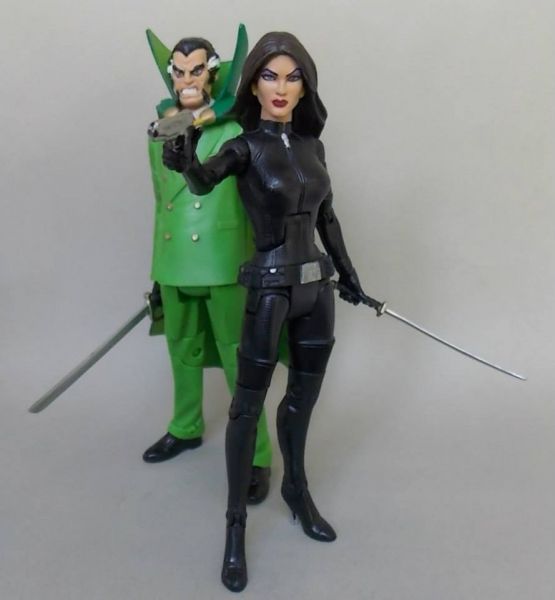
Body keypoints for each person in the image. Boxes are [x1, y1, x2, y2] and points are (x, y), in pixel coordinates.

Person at [163, 31, 373, 592]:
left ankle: (296, 491)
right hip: (271, 289)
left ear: (306, 86)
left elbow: (327, 218)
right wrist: (183, 158)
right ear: (253, 84)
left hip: (316, 291)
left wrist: (350, 276)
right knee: (245, 408)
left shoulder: (312, 148)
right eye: (270, 76)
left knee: (302, 401)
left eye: (293, 77)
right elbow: (203, 181)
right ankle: (235, 526)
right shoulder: (244, 147)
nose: (281, 87)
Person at [145, 34, 272, 503]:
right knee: (181, 349)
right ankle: (185, 426)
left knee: (241, 359)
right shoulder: (159, 132)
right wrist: (156, 272)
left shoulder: (237, 133)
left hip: (222, 261)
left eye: (196, 70)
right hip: (174, 261)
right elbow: (161, 205)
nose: (186, 80)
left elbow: (258, 202)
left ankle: (258, 454)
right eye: (178, 71)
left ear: (213, 74)